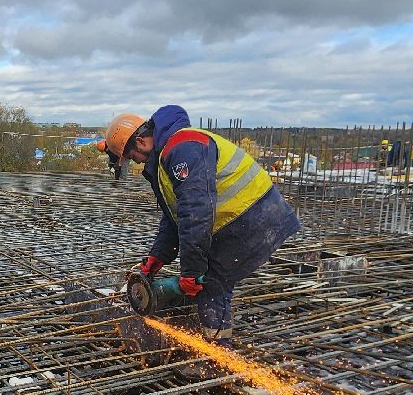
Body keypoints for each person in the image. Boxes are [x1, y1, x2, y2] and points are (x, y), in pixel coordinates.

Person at [98, 106, 300, 343]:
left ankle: (218, 354)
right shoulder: (168, 156)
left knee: (210, 283)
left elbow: (196, 214)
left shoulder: (183, 148)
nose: (136, 163)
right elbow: (175, 216)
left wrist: (191, 273)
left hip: (256, 218)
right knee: (203, 279)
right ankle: (210, 339)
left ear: (141, 141)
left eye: (133, 157)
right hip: (243, 219)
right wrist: (158, 256)